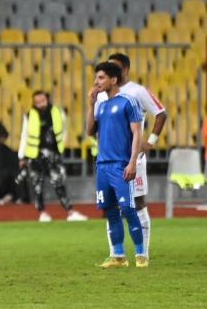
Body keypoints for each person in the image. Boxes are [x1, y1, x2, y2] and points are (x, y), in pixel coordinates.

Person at [97, 52, 167, 262]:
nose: (111, 73)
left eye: (115, 68)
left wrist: (151, 141)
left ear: (124, 70)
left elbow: (161, 113)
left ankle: (142, 252)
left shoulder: (138, 92)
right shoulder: (102, 95)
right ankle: (115, 253)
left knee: (136, 203)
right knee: (110, 207)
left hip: (131, 159)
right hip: (108, 160)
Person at [87, 61, 146, 268]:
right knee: (110, 211)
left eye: (101, 78)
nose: (96, 82)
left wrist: (132, 163)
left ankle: (141, 254)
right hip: (102, 166)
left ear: (113, 80)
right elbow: (89, 131)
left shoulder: (128, 102)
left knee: (128, 210)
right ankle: (119, 256)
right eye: (96, 78)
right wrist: (90, 104)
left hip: (121, 165)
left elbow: (137, 133)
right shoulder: (101, 105)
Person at [18, 91, 88, 222]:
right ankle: (42, 213)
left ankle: (70, 212)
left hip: (53, 154)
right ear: (33, 103)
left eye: (42, 100)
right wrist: (21, 156)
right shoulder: (29, 115)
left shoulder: (57, 112)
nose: (40, 103)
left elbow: (65, 127)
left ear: (47, 99)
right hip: (35, 155)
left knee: (59, 183)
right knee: (37, 185)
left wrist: (62, 143)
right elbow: (24, 135)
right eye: (37, 101)